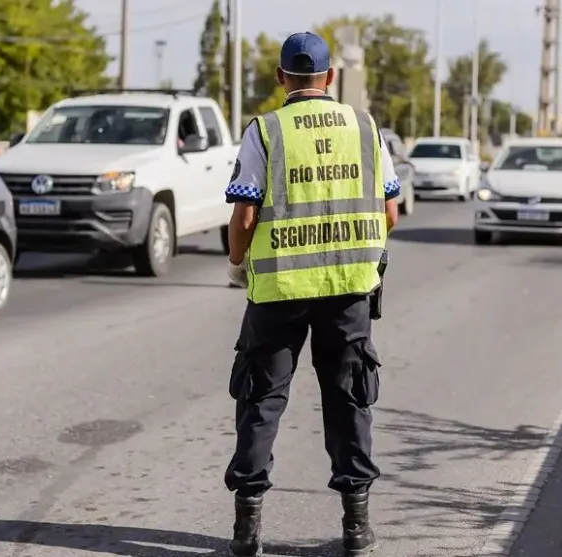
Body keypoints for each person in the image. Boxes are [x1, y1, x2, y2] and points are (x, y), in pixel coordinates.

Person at [222, 31, 401, 557]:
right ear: (331, 78)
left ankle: (246, 531)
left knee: (261, 399)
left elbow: (244, 215)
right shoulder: (366, 128)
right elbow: (390, 211)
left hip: (277, 292)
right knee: (348, 398)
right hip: (349, 290)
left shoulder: (266, 131)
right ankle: (356, 528)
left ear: (282, 78)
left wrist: (237, 265)